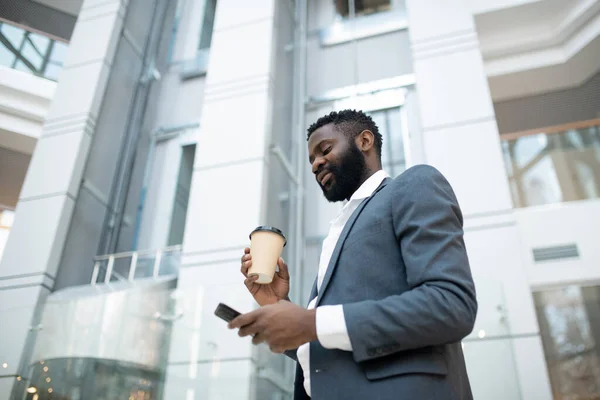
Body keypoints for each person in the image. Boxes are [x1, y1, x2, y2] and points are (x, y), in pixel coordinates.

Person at [229, 109, 477, 399]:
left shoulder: (413, 185)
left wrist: (310, 322)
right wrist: (276, 303)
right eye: (310, 160)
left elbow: (450, 305)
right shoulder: (337, 231)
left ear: (365, 141)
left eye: (325, 150)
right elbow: (336, 347)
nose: (315, 165)